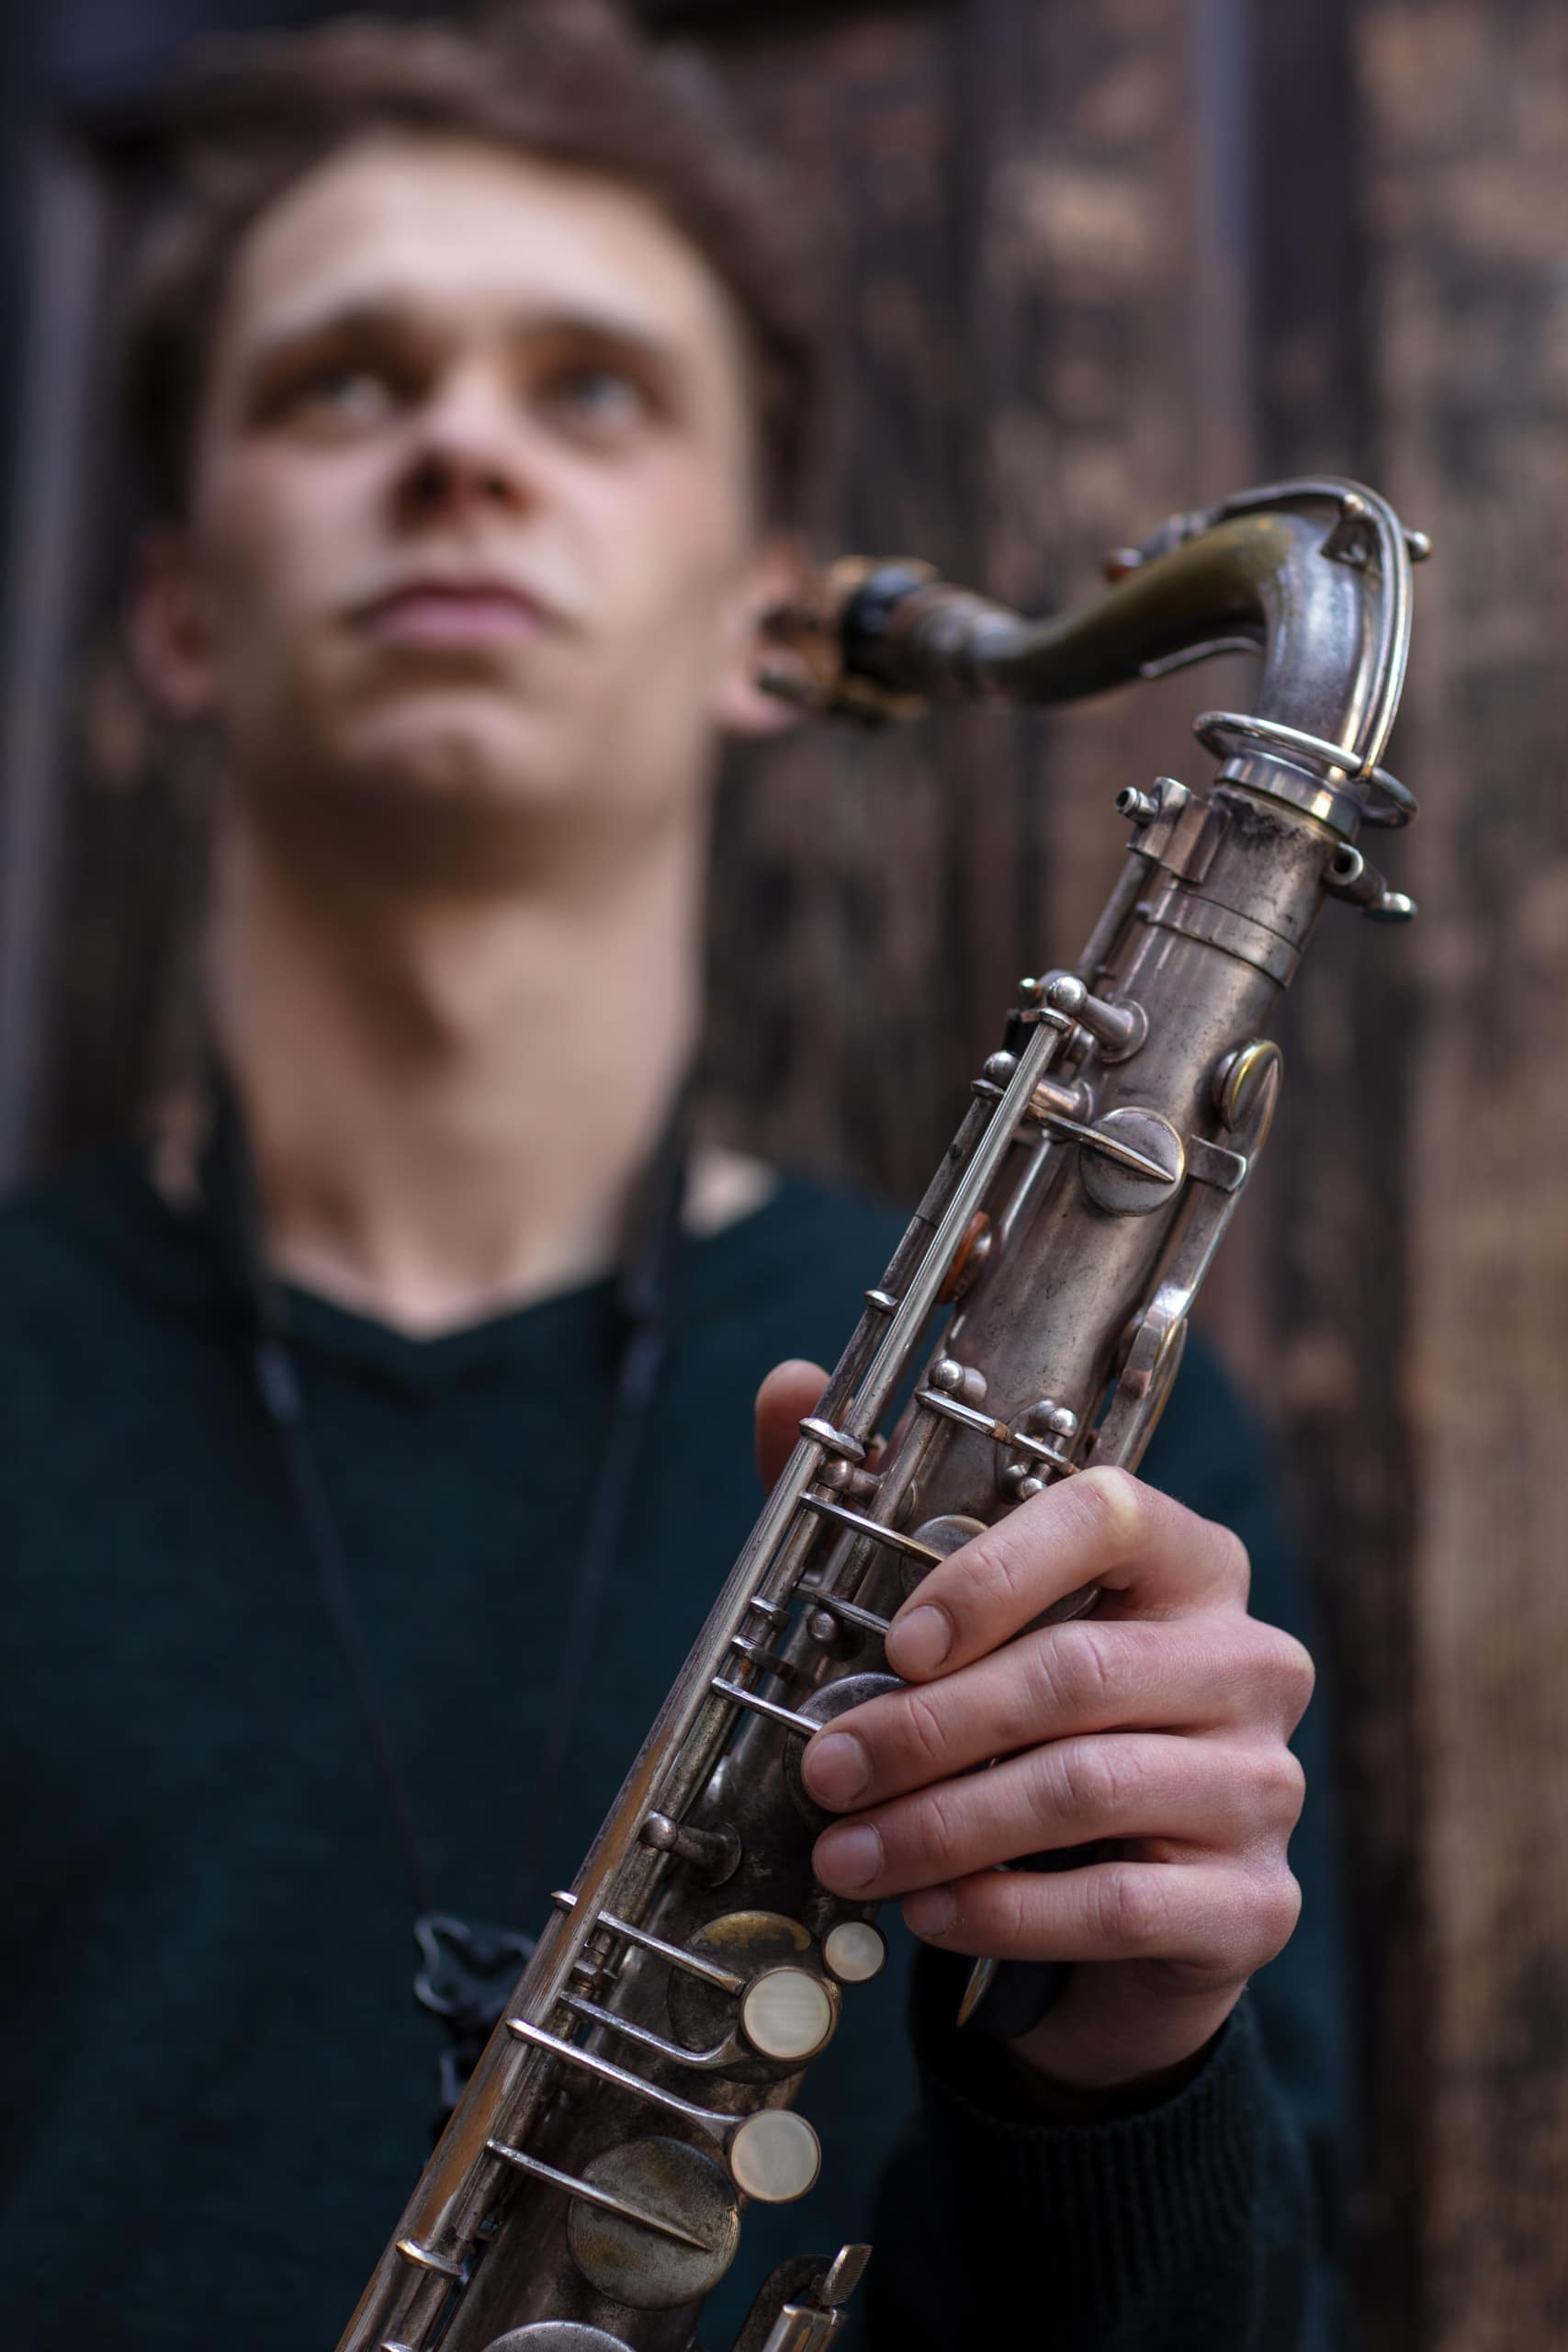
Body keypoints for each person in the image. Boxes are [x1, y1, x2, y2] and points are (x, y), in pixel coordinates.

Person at [0, 6, 1349, 2346]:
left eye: (588, 389)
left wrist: (1130, 2076)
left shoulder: (1078, 1466)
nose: (457, 451)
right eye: (341, 382)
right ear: (176, 613)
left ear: (767, 621)